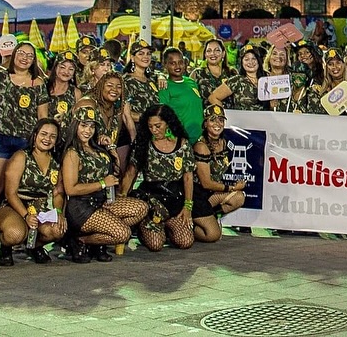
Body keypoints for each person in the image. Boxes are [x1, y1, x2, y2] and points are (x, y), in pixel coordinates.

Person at [61, 106, 147, 263]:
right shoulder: (72, 152)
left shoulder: (96, 148)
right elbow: (71, 189)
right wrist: (101, 183)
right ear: (75, 126)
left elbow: (115, 174)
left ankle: (97, 241)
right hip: (82, 206)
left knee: (141, 208)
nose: (88, 130)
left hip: (103, 201)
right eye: (84, 125)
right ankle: (79, 240)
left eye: (92, 126)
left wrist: (111, 150)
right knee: (122, 233)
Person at [121, 105, 196, 252]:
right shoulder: (143, 143)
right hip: (152, 200)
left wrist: (188, 207)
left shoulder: (183, 144)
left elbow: (188, 177)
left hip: (174, 200)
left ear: (168, 123)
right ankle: (145, 227)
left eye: (158, 126)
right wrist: (122, 198)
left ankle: (167, 228)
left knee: (185, 241)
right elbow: (131, 173)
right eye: (150, 126)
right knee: (156, 245)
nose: (154, 130)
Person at [0, 118, 66, 266]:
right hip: (15, 205)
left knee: (58, 230)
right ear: (35, 135)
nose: (47, 139)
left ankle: (33, 246)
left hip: (40, 207)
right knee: (15, 234)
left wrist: (58, 212)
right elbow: (10, 193)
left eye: (53, 136)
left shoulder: (57, 161)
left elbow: (57, 192)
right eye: (44, 134)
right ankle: (6, 247)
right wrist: (26, 215)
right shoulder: (21, 156)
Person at [0, 41, 46, 201]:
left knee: (19, 187)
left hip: (26, 141)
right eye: (21, 53)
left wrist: (38, 146)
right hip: (1, 138)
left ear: (34, 60)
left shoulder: (38, 83)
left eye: (30, 55)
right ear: (14, 54)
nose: (25, 58)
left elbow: (43, 118)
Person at [192, 104, 246, 242]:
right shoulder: (201, 146)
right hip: (197, 195)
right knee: (213, 236)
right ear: (205, 124)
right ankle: (189, 227)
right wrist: (231, 188)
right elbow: (205, 183)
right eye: (213, 120)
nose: (217, 124)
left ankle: (211, 217)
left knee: (239, 197)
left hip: (211, 193)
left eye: (221, 120)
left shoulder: (224, 142)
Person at [158, 47, 204, 143]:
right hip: (180, 140)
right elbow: (163, 115)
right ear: (165, 65)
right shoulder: (165, 86)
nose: (177, 66)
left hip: (199, 138)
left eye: (180, 62)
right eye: (172, 63)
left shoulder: (191, 82)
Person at [208, 43, 267, 111]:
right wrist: (226, 115)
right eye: (246, 59)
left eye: (254, 58)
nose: (250, 62)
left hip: (267, 120)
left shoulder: (267, 78)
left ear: (259, 61)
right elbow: (213, 98)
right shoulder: (236, 81)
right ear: (241, 62)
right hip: (242, 121)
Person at [123, 40, 159, 138]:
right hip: (138, 131)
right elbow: (124, 112)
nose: (146, 57)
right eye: (141, 54)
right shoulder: (127, 80)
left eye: (148, 54)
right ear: (132, 58)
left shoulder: (152, 79)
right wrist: (147, 118)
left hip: (156, 132)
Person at [42, 51, 81, 129]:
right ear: (56, 67)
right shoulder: (43, 85)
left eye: (71, 69)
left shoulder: (76, 93)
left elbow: (77, 120)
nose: (66, 72)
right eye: (62, 67)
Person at [191, 39, 232, 107]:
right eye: (209, 51)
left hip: (230, 116)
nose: (213, 53)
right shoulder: (197, 73)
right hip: (204, 116)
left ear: (223, 53)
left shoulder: (232, 73)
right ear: (205, 54)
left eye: (217, 50)